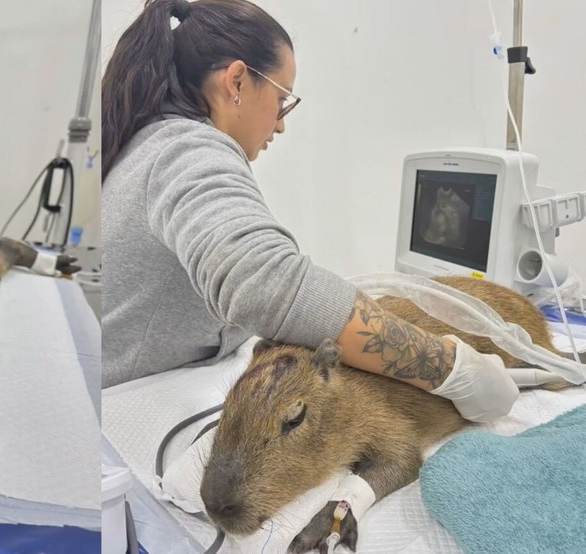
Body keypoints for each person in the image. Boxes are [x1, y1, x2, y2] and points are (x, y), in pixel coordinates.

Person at [100, 0, 518, 422]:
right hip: (126, 409)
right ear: (237, 81)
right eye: (282, 99)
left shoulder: (148, 144)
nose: (281, 123)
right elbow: (264, 284)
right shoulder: (187, 150)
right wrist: (452, 368)